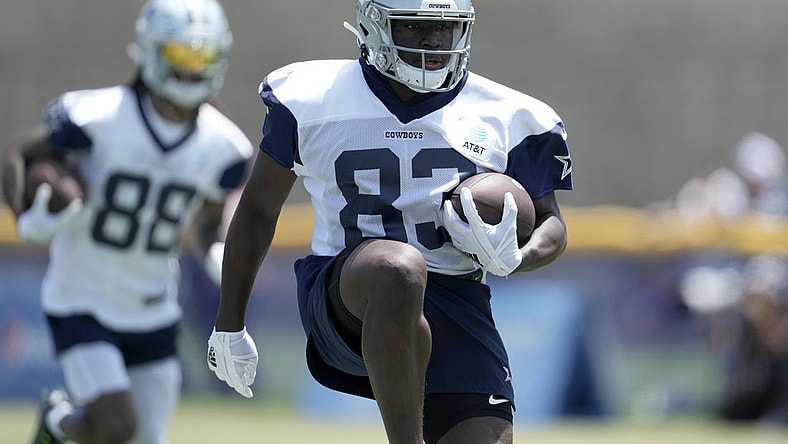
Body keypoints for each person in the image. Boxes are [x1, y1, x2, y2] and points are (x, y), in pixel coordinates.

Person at [207, 1, 572, 443]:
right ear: (373, 24)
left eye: (445, 28)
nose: (433, 40)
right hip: (349, 295)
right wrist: (229, 321)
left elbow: (552, 224)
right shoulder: (313, 97)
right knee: (398, 268)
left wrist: (518, 255)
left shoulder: (509, 114)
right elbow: (259, 207)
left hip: (456, 298)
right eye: (415, 26)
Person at [1, 0, 253, 442]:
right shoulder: (96, 117)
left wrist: (218, 254)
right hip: (81, 299)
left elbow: (209, 224)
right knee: (118, 424)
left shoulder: (225, 147)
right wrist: (27, 216)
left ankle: (57, 428)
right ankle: (58, 422)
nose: (193, 68)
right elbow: (19, 155)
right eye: (182, 55)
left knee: (145, 438)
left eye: (203, 56)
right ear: (152, 51)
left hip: (153, 305)